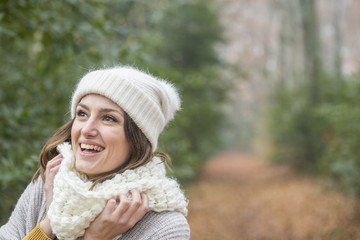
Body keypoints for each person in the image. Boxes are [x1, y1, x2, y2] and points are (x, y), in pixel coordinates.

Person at [0, 66, 190, 240]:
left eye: (108, 118)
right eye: (82, 114)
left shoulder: (166, 227)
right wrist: (51, 223)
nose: (86, 130)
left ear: (138, 139)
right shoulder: (49, 183)